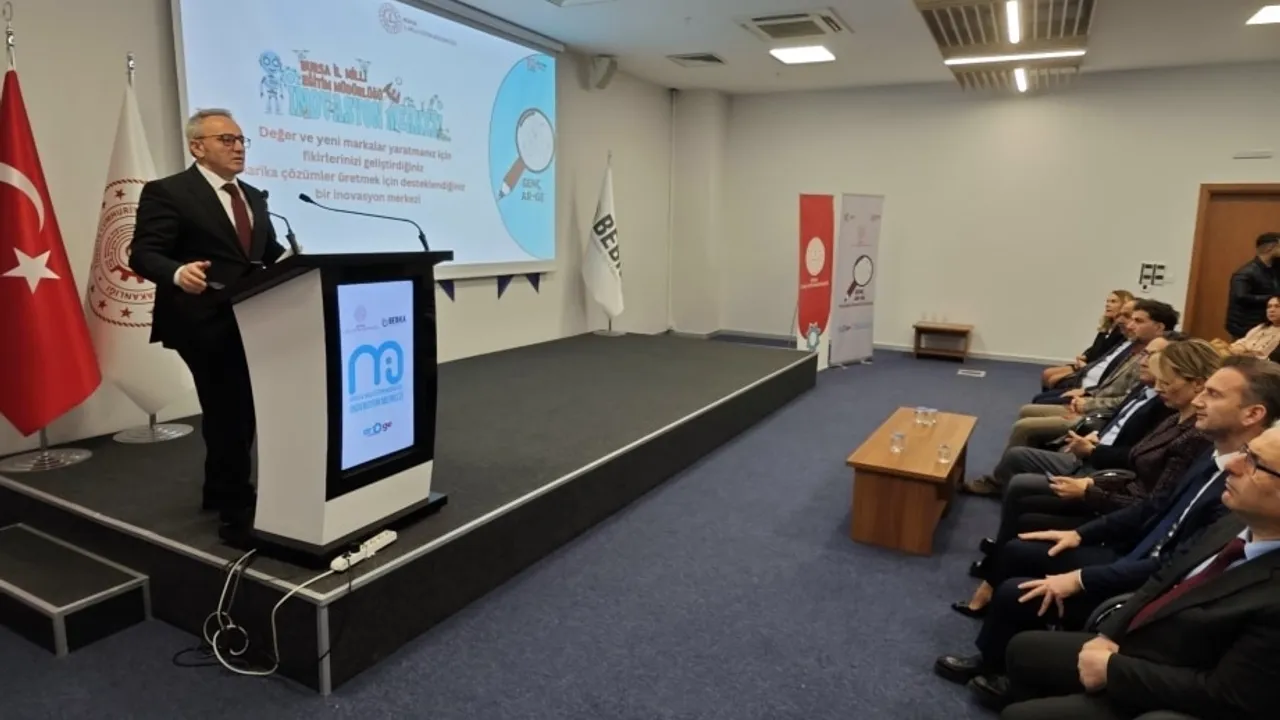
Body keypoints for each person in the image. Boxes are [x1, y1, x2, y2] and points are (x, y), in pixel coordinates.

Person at [934, 356, 1280, 708]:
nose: (1199, 401)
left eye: (1213, 394)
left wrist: (1081, 579)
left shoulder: (1244, 493)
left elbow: (1176, 565)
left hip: (1147, 580)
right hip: (1136, 553)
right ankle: (997, 657)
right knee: (1022, 548)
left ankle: (1006, 674)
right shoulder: (1214, 454)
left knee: (1016, 591)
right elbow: (1154, 507)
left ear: (1253, 414)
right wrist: (1081, 535)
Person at [998, 426, 1280, 720]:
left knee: (1019, 715)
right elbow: (1164, 576)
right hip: (1140, 642)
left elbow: (1226, 695)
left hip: (1170, 692)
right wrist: (1110, 632)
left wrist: (1114, 670)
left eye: (1254, 463)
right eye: (1245, 451)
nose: (1232, 464)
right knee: (1023, 650)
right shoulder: (1236, 522)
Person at [954, 339, 1218, 617]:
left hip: (1121, 513)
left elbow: (1153, 503)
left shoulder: (1193, 435)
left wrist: (1091, 490)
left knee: (1026, 506)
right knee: (1024, 499)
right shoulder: (1175, 417)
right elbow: (1136, 467)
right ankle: (996, 572)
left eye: (1166, 381)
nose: (1158, 386)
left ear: (1197, 384)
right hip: (1112, 485)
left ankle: (996, 577)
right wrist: (1092, 481)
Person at [128, 108, 287, 528]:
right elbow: (143, 253)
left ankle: (220, 490)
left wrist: (296, 260)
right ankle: (235, 501)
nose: (238, 148)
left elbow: (263, 253)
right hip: (200, 317)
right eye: (226, 140)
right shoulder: (169, 192)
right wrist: (178, 273)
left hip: (251, 314)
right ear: (197, 147)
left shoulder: (253, 196)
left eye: (241, 140)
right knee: (228, 407)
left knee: (238, 408)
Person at [1040, 290, 1135, 390]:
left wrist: (1086, 365)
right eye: (1107, 301)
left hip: (1093, 368)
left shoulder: (1122, 332)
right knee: (1046, 373)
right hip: (1088, 363)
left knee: (1052, 378)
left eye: (1113, 302)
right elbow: (1095, 347)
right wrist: (1085, 355)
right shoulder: (1107, 327)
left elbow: (1107, 356)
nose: (1107, 305)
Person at [1226, 232, 1280, 340]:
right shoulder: (1245, 273)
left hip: (1264, 327)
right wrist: (1272, 298)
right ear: (1270, 248)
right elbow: (1241, 297)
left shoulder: (1274, 268)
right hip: (1245, 329)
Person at [1226, 295, 1280, 359]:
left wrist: (1246, 353)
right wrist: (1237, 348)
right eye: (1269, 307)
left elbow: (1266, 356)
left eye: (1277, 306)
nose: (1271, 310)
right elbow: (1243, 341)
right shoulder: (1262, 326)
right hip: (1241, 358)